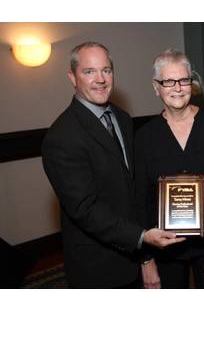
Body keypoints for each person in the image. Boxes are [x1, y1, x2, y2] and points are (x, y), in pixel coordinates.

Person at [41, 42, 184, 288]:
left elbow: (132, 189)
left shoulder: (122, 118)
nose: (100, 79)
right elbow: (85, 209)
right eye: (89, 72)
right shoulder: (61, 137)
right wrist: (141, 237)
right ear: (72, 77)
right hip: (98, 266)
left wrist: (145, 257)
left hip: (134, 257)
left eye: (106, 70)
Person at [134, 49, 204, 289]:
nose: (177, 88)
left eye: (183, 80)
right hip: (163, 248)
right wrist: (146, 260)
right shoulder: (144, 137)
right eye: (168, 81)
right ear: (156, 87)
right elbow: (139, 201)